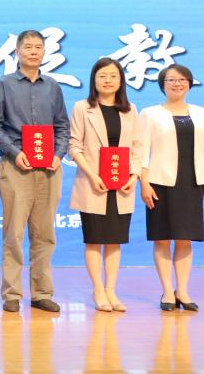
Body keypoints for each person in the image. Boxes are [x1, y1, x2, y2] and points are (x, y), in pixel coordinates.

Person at [0, 30, 70, 313]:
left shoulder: (53, 87)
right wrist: (15, 152)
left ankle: (41, 293)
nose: (34, 52)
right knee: (14, 233)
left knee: (45, 233)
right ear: (17, 52)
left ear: (44, 52)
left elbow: (62, 126)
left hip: (49, 168)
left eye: (38, 47)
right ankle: (11, 294)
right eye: (28, 47)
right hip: (16, 166)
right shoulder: (3, 85)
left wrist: (58, 154)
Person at [139, 64, 204, 312]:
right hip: (160, 182)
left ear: (190, 84)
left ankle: (182, 290)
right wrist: (144, 184)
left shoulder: (202, 113)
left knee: (185, 238)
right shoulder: (150, 114)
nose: (177, 83)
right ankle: (167, 291)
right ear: (162, 84)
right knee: (162, 238)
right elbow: (140, 153)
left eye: (182, 79)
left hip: (192, 181)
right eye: (171, 79)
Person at [68, 58, 141, 312]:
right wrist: (92, 175)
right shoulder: (82, 108)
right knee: (94, 239)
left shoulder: (130, 110)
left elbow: (138, 147)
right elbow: (74, 146)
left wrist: (134, 176)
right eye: (102, 76)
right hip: (93, 183)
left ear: (121, 81)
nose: (107, 80)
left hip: (122, 186)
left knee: (114, 240)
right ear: (94, 80)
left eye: (113, 76)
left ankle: (111, 290)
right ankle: (98, 290)